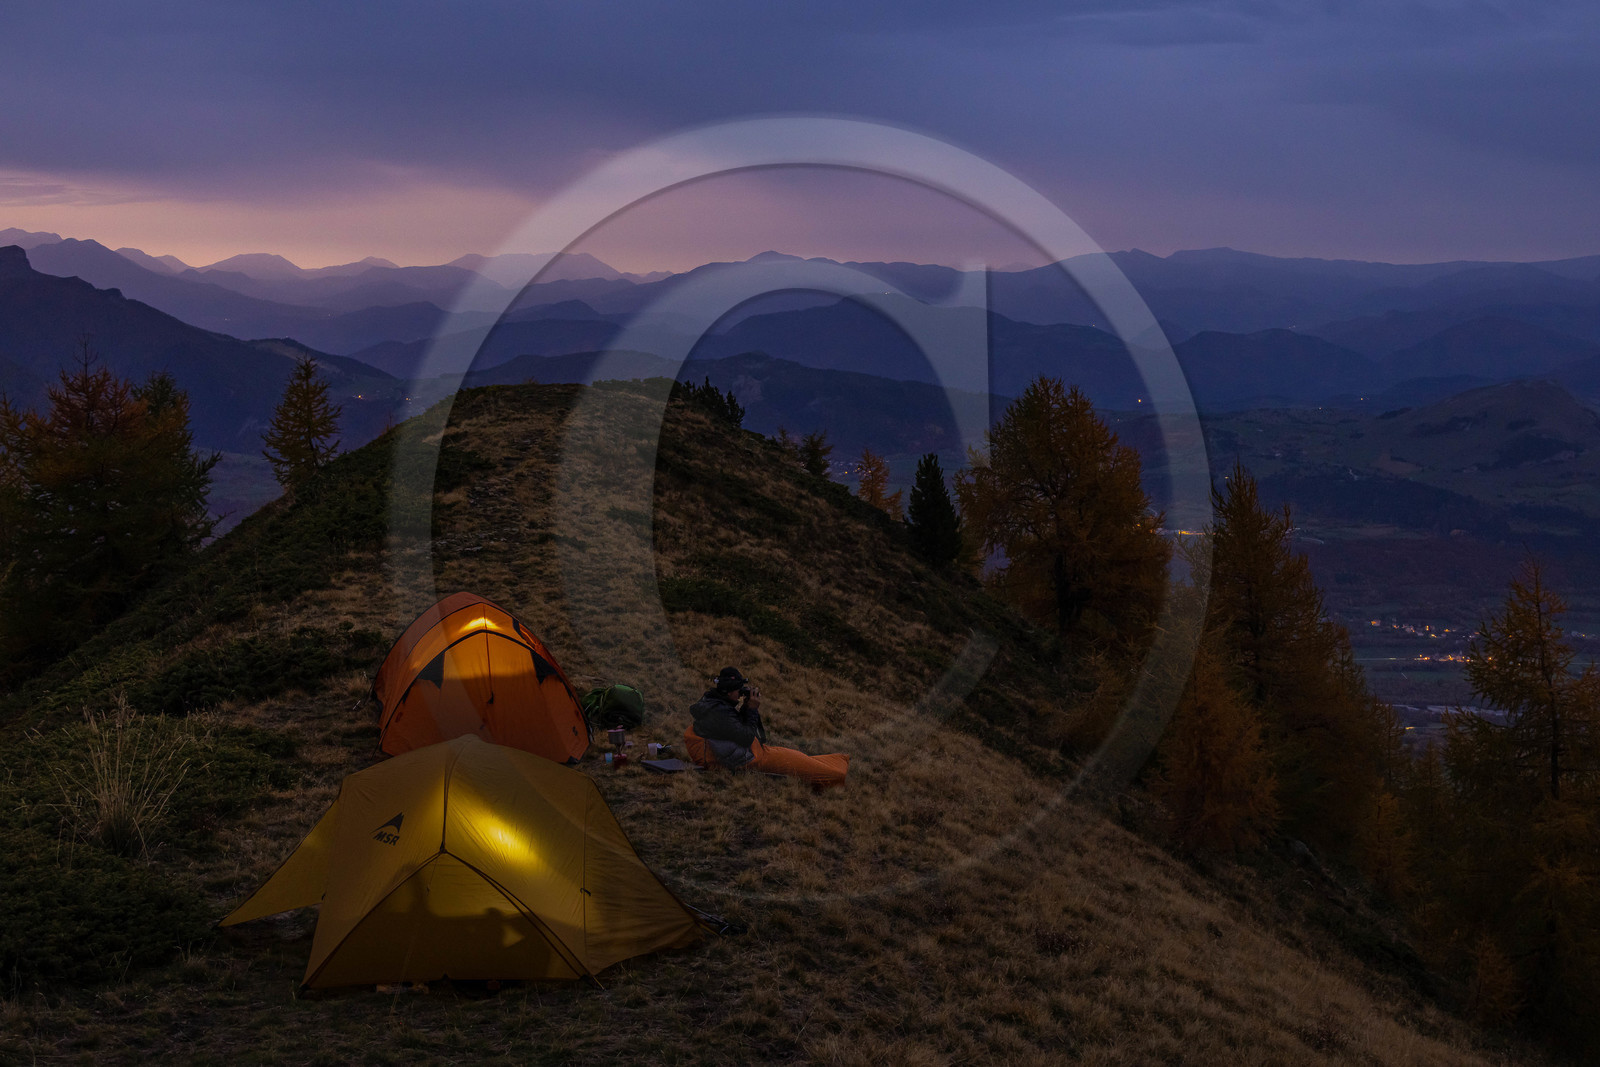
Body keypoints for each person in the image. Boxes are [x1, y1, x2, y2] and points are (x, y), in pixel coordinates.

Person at [683, 667, 849, 787]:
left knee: (797, 757)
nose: (741, 693)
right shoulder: (719, 712)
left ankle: (837, 760)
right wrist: (753, 710)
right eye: (738, 690)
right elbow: (746, 736)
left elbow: (734, 729)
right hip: (748, 758)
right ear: (728, 691)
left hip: (744, 752)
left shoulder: (714, 703)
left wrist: (746, 708)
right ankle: (837, 773)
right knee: (804, 766)